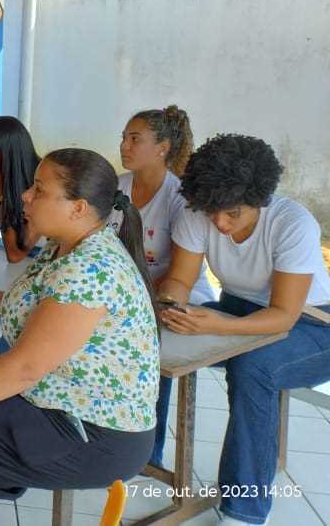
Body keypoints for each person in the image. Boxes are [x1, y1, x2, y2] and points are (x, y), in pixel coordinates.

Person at [0, 148, 159, 526]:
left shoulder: (90, 269)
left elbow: (25, 367)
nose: (25, 195)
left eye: (39, 189)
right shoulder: (66, 245)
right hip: (60, 399)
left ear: (78, 208)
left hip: (96, 433)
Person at [157, 134, 330, 526]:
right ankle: (145, 458)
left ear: (260, 197)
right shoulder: (198, 211)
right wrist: (172, 304)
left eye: (232, 213)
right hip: (241, 308)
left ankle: (245, 510)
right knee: (156, 335)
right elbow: (179, 281)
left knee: (254, 367)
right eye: (212, 210)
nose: (219, 222)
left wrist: (219, 323)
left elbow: (284, 316)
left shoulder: (292, 223)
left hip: (315, 325)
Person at [117, 105, 215, 468]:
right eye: (124, 138)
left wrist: (132, 293)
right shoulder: (117, 187)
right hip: (128, 294)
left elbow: (178, 272)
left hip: (175, 298)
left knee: (152, 352)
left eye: (135, 139)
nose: (125, 146)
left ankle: (148, 455)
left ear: (162, 148)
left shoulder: (180, 199)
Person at [0, 115, 41, 263]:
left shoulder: (40, 183)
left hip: (40, 259)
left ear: (5, 152)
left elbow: (15, 255)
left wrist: (0, 183)